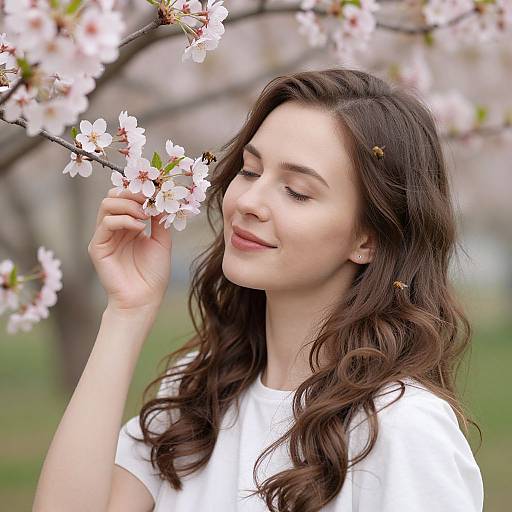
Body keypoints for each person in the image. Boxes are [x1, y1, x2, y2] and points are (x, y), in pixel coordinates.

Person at [33, 67, 484, 512]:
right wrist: (126, 315)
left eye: (297, 192)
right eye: (250, 171)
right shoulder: (199, 396)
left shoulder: (400, 430)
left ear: (369, 239)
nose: (247, 202)